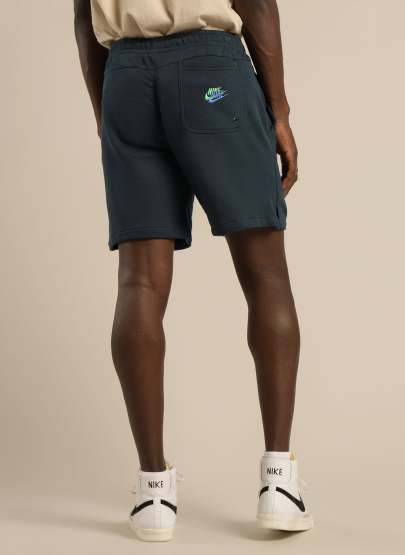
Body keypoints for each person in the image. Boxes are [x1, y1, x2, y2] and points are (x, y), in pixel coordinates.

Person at [74, 0, 313, 541]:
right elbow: (256, 3)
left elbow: (83, 16)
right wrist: (279, 110)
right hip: (212, 72)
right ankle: (280, 484)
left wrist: (107, 111)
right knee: (266, 275)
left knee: (138, 281)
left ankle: (153, 493)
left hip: (124, 78)